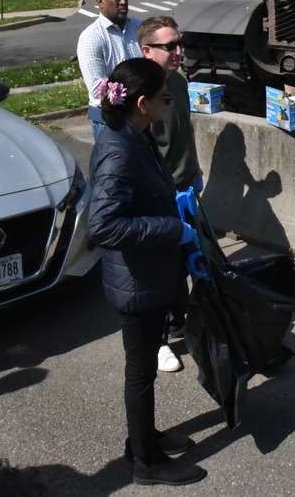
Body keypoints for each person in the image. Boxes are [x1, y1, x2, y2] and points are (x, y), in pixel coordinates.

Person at [88, 57, 207, 487]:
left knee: (142, 371)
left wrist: (174, 201)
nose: (167, 102)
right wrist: (171, 228)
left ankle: (143, 438)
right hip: (136, 283)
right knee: (140, 372)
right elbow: (102, 225)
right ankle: (146, 462)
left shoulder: (132, 133)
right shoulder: (118, 149)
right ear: (142, 102)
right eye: (163, 97)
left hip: (147, 274)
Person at [138, 15, 203, 374]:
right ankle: (159, 341)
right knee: (162, 272)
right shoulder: (138, 93)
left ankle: (179, 322)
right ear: (147, 51)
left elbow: (182, 133)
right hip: (160, 196)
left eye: (180, 44)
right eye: (170, 46)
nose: (179, 51)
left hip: (186, 188)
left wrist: (195, 172)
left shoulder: (177, 81)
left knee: (186, 264)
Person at [77, 0, 142, 141]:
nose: (123, 2)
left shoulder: (138, 27)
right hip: (109, 121)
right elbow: (97, 88)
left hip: (140, 115)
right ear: (100, 2)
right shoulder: (92, 37)